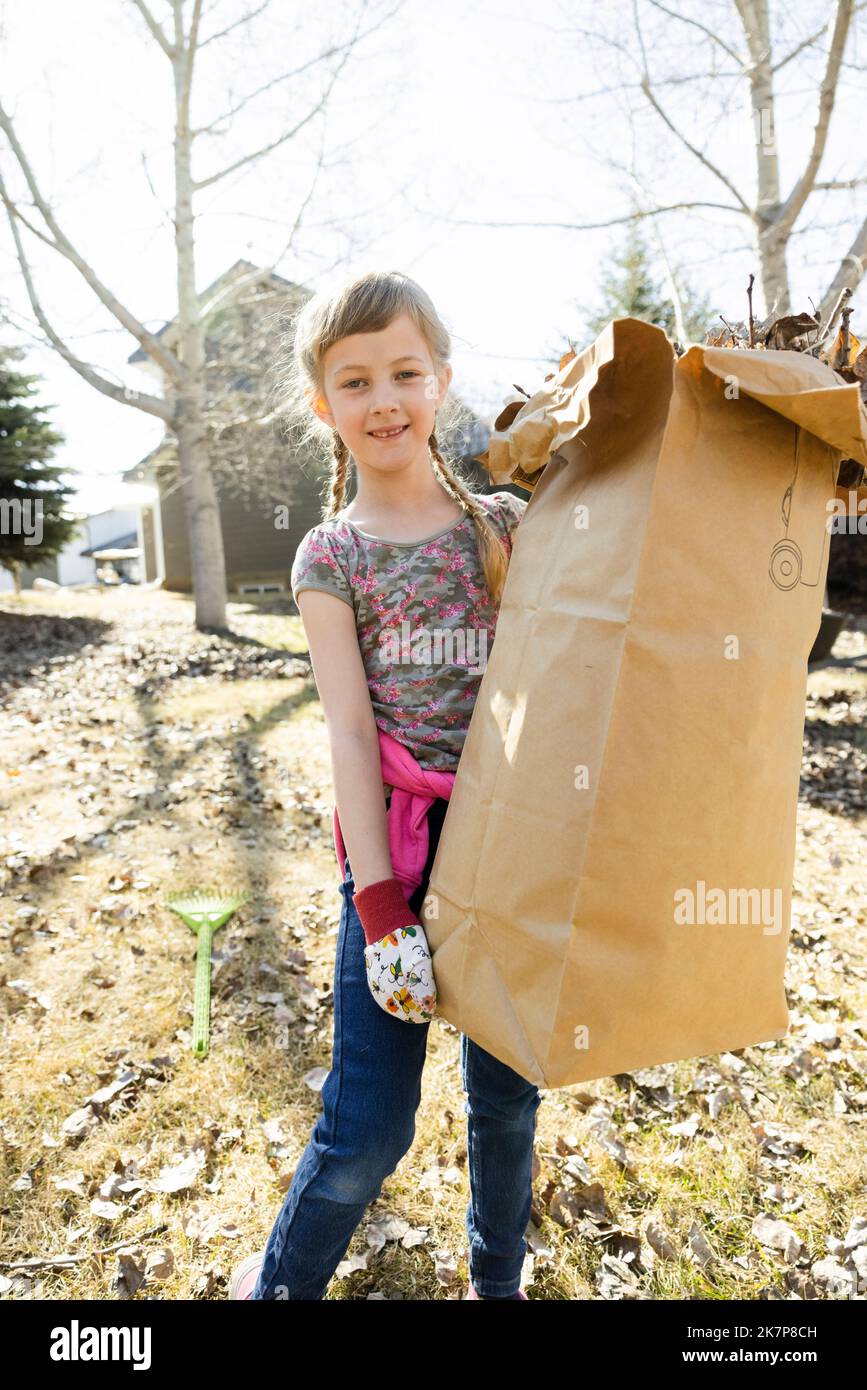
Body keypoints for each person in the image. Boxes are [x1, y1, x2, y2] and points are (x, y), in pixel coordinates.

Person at [230, 269, 541, 1301]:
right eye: (354, 381)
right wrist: (379, 909)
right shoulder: (333, 556)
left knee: (505, 1103)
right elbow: (352, 735)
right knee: (367, 1128)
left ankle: (498, 1285)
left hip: (509, 853)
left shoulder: (503, 527)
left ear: (443, 381)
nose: (384, 399)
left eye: (405, 371)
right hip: (395, 863)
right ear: (324, 405)